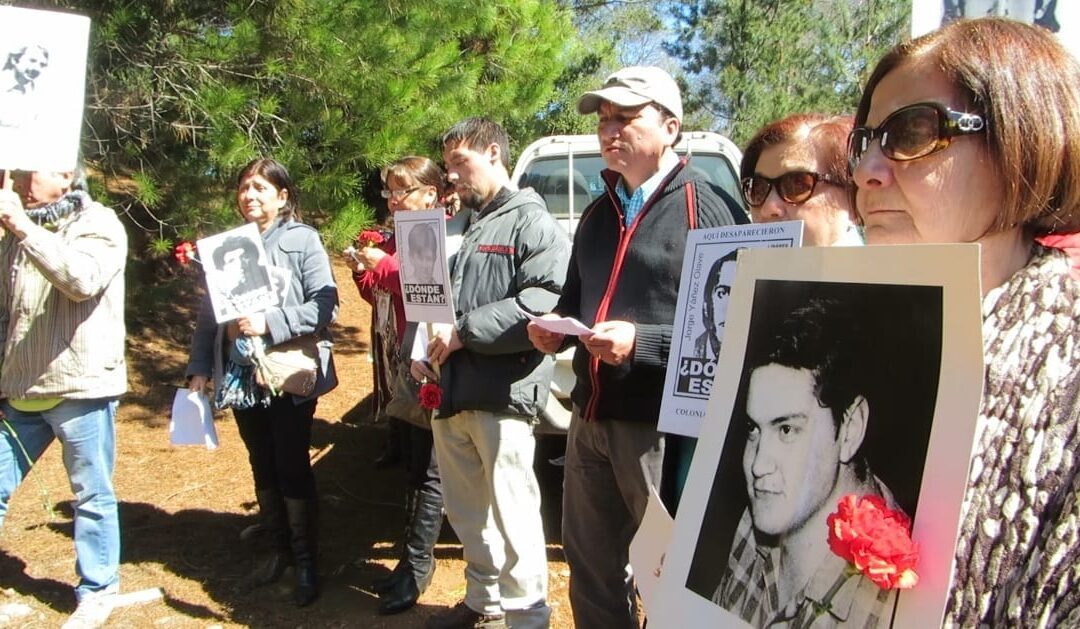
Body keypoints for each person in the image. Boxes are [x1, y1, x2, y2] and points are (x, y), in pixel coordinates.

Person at [848, 17, 1080, 624]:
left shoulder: (1069, 366)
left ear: (1021, 141)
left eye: (912, 132)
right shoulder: (831, 329)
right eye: (864, 140)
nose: (867, 170)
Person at [526, 66, 747, 628]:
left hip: (663, 428)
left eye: (626, 117)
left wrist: (642, 343)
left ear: (670, 127)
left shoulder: (709, 206)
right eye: (603, 119)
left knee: (671, 572)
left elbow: (738, 331)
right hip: (588, 419)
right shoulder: (598, 214)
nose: (609, 129)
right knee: (592, 567)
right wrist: (555, 327)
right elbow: (576, 301)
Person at [417, 117, 569, 629]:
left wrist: (463, 333)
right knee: (466, 513)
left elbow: (542, 301)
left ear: (495, 155)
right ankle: (484, 604)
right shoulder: (461, 225)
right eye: (448, 165)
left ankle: (527, 618)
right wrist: (427, 350)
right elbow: (435, 302)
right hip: (451, 391)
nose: (452, 175)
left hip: (502, 396)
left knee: (513, 513)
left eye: (461, 162)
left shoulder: (532, 222)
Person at [186, 158, 338, 607]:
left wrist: (269, 322)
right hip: (241, 376)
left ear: (283, 196)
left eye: (259, 188)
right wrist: (198, 368)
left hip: (288, 372)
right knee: (261, 461)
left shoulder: (302, 241)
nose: (249, 195)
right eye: (243, 187)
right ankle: (278, 550)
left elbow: (324, 306)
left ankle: (307, 560)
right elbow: (208, 316)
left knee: (291, 462)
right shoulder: (227, 247)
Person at [711, 297, 898, 627]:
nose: (758, 466)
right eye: (754, 429)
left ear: (851, 429)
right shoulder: (765, 515)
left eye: (786, 429)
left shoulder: (892, 604)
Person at [0, 169, 127, 629]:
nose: (19, 181)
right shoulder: (15, 228)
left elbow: (81, 279)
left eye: (30, 172)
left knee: (90, 495)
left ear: (66, 175)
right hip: (20, 388)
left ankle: (98, 590)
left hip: (80, 386)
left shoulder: (99, 223)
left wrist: (22, 227)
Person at [350, 155, 454, 615]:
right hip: (402, 363)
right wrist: (362, 268)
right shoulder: (396, 236)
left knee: (430, 469)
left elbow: (428, 282)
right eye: (390, 193)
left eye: (403, 191)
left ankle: (417, 566)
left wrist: (385, 265)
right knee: (413, 465)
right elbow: (380, 291)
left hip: (433, 362)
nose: (393, 200)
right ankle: (410, 560)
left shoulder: (445, 233)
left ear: (430, 194)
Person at [740, 113, 862, 247]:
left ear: (853, 201)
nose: (768, 208)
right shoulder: (729, 266)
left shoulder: (879, 267)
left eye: (796, 185)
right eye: (758, 189)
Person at [694, 249, 738, 360]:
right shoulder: (697, 349)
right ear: (708, 300)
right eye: (722, 293)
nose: (729, 306)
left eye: (742, 293)